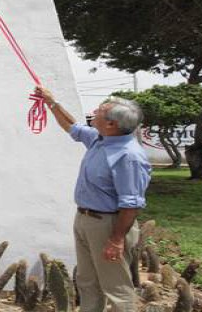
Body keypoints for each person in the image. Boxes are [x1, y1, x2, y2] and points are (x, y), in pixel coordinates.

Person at [35, 86, 151, 312]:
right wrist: (51, 102)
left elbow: (131, 204)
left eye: (99, 111)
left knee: (116, 287)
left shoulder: (129, 156)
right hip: (86, 219)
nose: (93, 113)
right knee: (87, 282)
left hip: (109, 225)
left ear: (111, 124)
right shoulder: (101, 139)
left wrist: (116, 240)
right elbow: (72, 127)